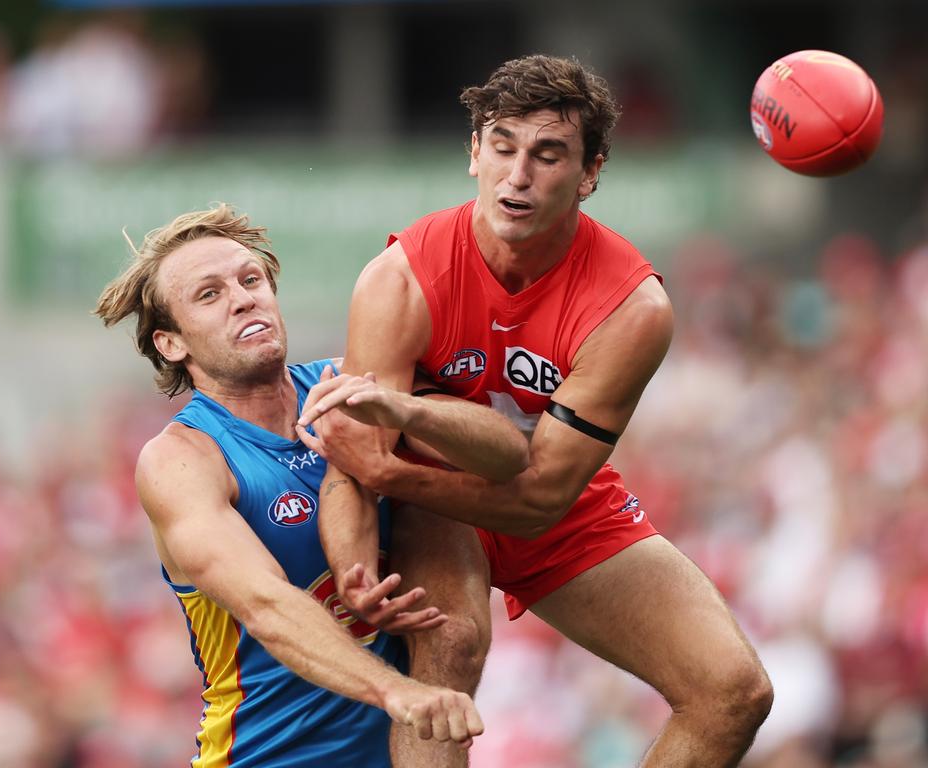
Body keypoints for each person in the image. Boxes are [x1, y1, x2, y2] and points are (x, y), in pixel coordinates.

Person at [297, 54, 775, 768]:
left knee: (734, 692)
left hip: (546, 498)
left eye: (548, 155)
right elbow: (353, 464)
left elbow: (542, 497)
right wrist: (355, 565)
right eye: (503, 147)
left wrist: (391, 475)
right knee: (450, 645)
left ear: (590, 174)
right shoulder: (400, 278)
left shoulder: (632, 308)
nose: (517, 176)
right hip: (440, 503)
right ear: (474, 153)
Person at [93, 205, 505, 767]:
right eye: (209, 295)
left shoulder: (353, 384)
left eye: (250, 279)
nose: (243, 298)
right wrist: (396, 690)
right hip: (267, 755)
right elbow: (266, 604)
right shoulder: (182, 459)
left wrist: (412, 412)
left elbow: (502, 451)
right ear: (171, 343)